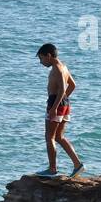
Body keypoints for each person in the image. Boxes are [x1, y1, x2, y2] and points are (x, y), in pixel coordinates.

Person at [35, 43, 85, 178]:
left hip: (55, 103)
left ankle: (52, 170)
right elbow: (72, 85)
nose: (41, 62)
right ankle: (77, 164)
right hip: (64, 104)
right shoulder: (64, 67)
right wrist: (63, 101)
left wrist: (55, 107)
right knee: (59, 137)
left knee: (49, 137)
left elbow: (63, 89)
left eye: (41, 58)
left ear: (49, 56)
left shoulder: (56, 68)